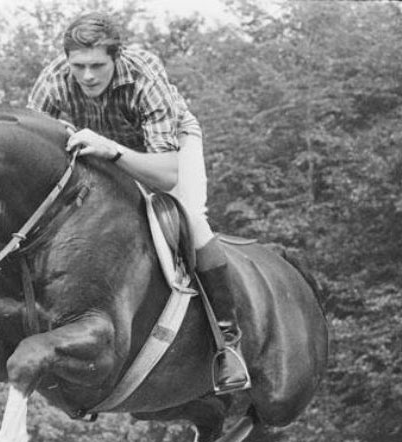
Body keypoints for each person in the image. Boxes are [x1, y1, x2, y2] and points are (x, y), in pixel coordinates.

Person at [27, 11, 250, 393]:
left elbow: (165, 174)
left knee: (190, 219)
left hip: (166, 149)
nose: (87, 76)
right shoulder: (54, 81)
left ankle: (229, 345)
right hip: (98, 147)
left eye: (97, 65)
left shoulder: (143, 75)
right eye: (78, 66)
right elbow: (35, 151)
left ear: (117, 56)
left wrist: (110, 149)